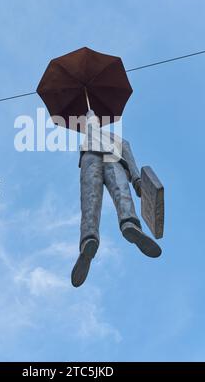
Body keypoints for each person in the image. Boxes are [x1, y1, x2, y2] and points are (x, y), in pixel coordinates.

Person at [71, 110, 162, 288]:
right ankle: (89, 242)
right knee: (91, 201)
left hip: (113, 160)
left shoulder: (115, 138)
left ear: (98, 121)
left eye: (93, 118)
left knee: (120, 192)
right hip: (91, 159)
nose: (91, 121)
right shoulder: (87, 139)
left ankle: (129, 226)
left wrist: (137, 180)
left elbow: (127, 151)